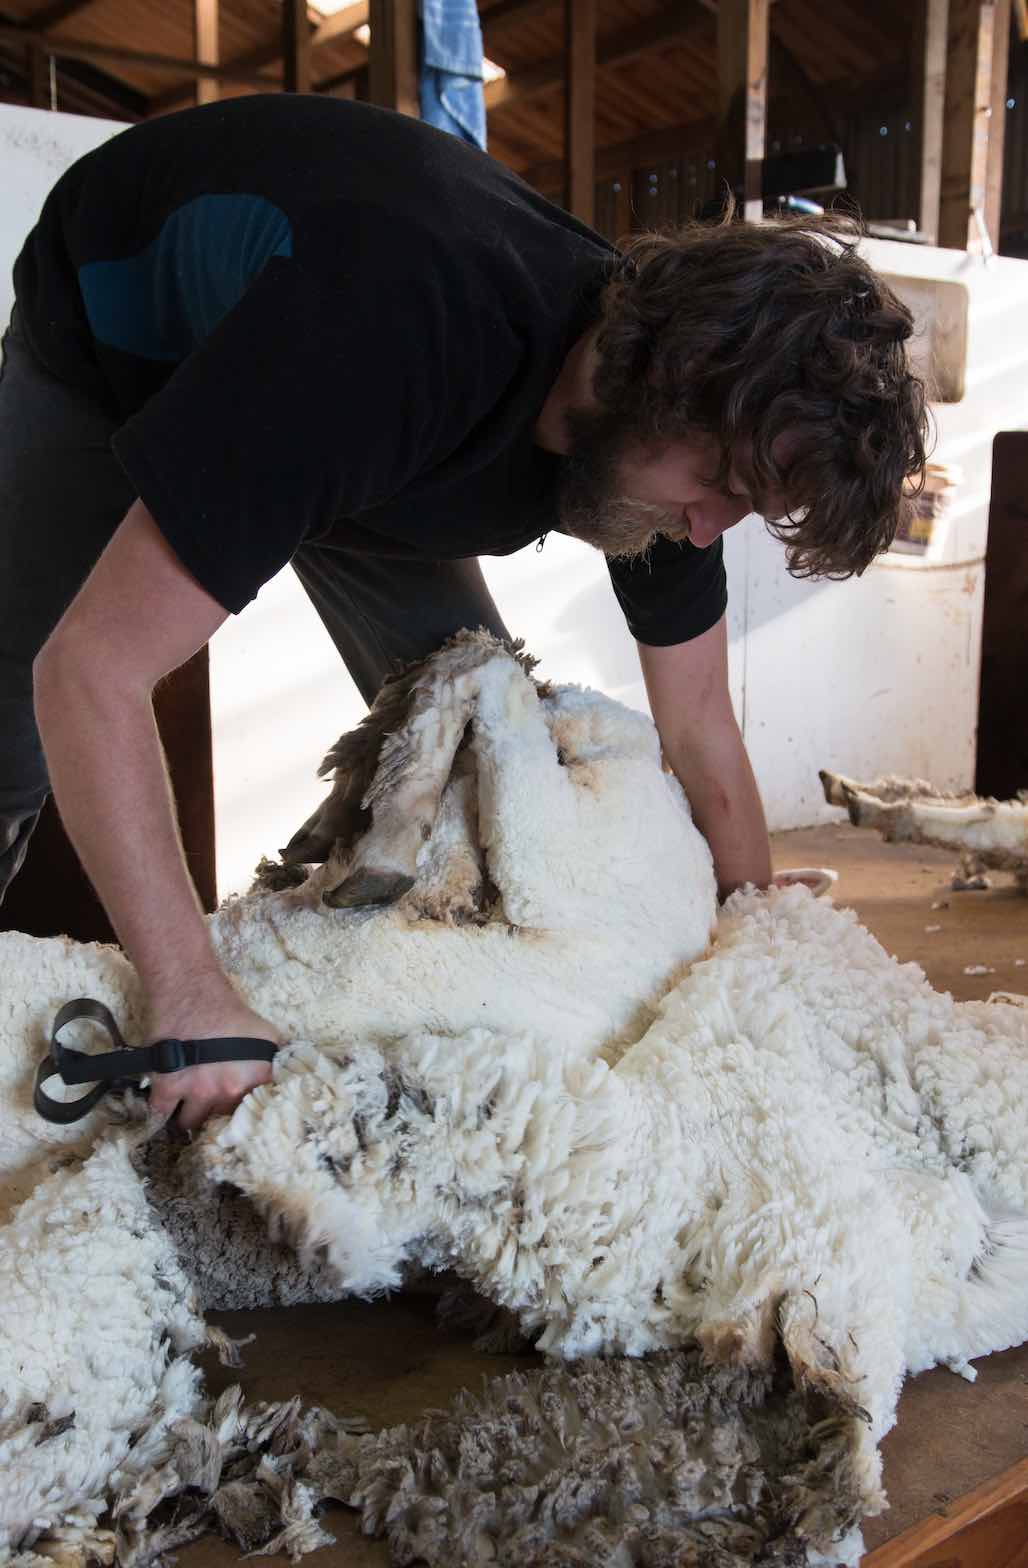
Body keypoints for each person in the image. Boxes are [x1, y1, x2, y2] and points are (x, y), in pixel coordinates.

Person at [0, 94, 927, 1129]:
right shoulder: (393, 331)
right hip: (111, 329)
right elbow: (91, 673)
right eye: (716, 485)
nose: (705, 529)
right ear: (659, 380)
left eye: (742, 510)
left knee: (487, 747)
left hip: (351, 416)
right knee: (17, 700)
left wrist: (753, 926)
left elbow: (700, 717)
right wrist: (190, 992)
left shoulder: (666, 459)